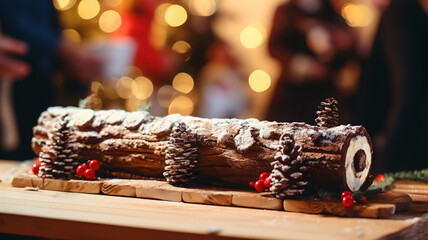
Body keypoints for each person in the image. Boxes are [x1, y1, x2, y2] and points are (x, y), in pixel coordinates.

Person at [0, 0, 103, 160]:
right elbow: (15, 22)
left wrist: (74, 66)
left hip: (38, 106)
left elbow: (50, 32)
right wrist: (60, 49)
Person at [353, 0, 428, 172]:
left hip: (405, 151)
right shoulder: (403, 11)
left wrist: (387, 165)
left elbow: (409, 92)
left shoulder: (400, 12)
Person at [266, 0, 359, 124]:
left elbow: (349, 56)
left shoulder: (333, 13)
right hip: (291, 94)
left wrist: (342, 46)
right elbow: (274, 47)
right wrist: (304, 66)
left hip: (324, 94)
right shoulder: (286, 11)